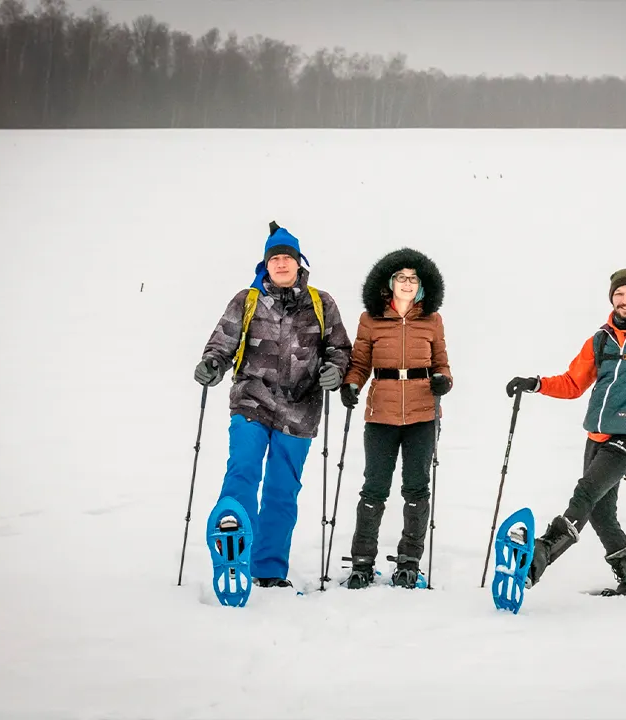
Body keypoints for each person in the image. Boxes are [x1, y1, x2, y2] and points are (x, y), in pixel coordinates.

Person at [505, 268, 626, 596]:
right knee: (600, 514)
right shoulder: (600, 339)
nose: (625, 300)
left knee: (585, 493)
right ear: (612, 299)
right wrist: (536, 384)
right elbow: (573, 383)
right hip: (598, 434)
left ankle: (542, 554)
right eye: (619, 295)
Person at [194, 222, 352, 588]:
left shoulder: (321, 303)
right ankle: (233, 545)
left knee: (283, 489)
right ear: (266, 265)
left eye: (287, 258)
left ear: (299, 263)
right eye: (275, 258)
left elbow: (339, 349)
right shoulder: (246, 300)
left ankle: (268, 569)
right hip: (252, 399)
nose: (281, 264)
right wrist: (213, 365)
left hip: (301, 407)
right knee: (244, 469)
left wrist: (334, 371)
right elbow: (222, 343)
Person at [338, 248, 453, 589]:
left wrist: (443, 381)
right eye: (401, 277)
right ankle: (362, 561)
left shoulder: (432, 320)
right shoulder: (370, 319)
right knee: (374, 488)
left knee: (417, 488)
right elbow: (360, 362)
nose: (407, 283)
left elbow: (442, 363)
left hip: (423, 412)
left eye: (413, 278)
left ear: (422, 285)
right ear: (389, 282)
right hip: (381, 414)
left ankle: (409, 560)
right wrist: (351, 384)